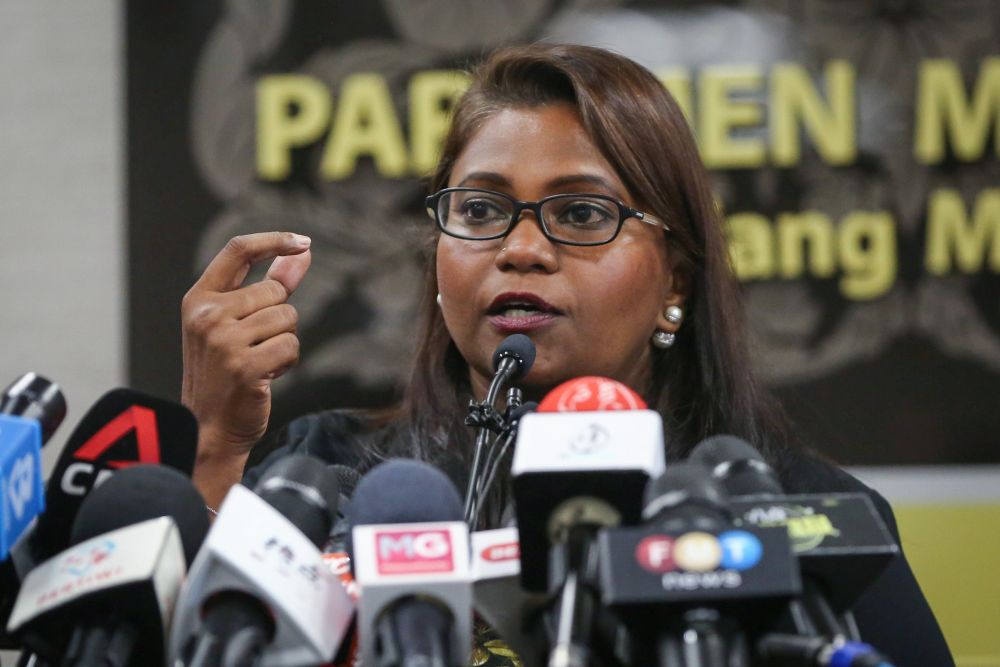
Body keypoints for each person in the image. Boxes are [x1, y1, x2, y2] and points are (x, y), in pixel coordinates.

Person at [180, 44, 952, 665]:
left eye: (581, 213)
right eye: (480, 208)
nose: (522, 248)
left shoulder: (797, 517)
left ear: (675, 279)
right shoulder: (328, 477)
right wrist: (216, 443)